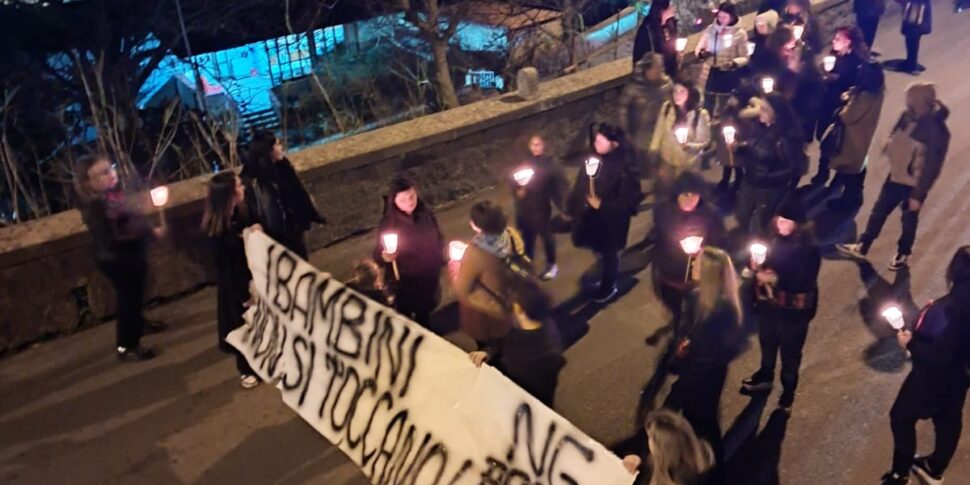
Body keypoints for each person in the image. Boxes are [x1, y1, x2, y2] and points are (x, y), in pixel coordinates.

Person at [880, 246, 970, 485]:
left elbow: (941, 355)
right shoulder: (955, 304)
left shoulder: (954, 309)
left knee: (901, 417)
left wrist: (909, 345)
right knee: (948, 419)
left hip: (932, 378)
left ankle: (900, 474)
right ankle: (935, 468)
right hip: (961, 376)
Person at [836, 83, 950, 271]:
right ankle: (863, 245)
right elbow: (896, 134)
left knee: (908, 221)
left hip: (913, 184)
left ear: (918, 100)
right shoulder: (908, 115)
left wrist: (918, 194)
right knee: (878, 211)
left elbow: (932, 166)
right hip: (895, 175)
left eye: (909, 97)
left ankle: (903, 254)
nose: (906, 101)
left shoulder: (936, 129)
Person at [75, 155, 164, 362]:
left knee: (137, 292)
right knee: (128, 300)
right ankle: (127, 345)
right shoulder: (96, 207)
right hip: (117, 259)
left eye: (111, 168)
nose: (111, 174)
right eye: (103, 173)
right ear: (89, 183)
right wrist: (141, 232)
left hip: (130, 253)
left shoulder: (112, 196)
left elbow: (130, 217)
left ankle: (139, 323)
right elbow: (111, 238)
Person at [665, 247, 742, 479]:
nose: (692, 265)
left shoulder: (720, 313)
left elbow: (703, 363)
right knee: (700, 425)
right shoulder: (700, 297)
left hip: (705, 379)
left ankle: (715, 473)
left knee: (704, 425)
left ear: (708, 273)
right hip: (701, 371)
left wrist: (674, 397)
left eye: (697, 264)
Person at [742, 193, 821, 412]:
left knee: (790, 354)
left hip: (793, 313)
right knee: (767, 343)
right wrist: (755, 264)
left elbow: (804, 281)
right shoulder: (771, 237)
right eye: (780, 219)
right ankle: (765, 375)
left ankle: (788, 392)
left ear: (799, 224)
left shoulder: (809, 248)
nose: (782, 224)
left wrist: (775, 279)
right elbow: (761, 262)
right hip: (768, 306)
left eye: (788, 221)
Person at [568, 124, 640, 303]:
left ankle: (609, 287)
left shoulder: (625, 168)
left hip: (612, 222)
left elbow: (629, 201)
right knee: (599, 249)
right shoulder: (594, 157)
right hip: (594, 219)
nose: (595, 143)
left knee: (610, 254)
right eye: (595, 139)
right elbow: (582, 181)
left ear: (614, 144)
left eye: (601, 141)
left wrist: (602, 204)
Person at [202, 171, 259, 388]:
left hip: (251, 278)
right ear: (229, 195)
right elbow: (224, 269)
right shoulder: (216, 232)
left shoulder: (241, 212)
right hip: (236, 288)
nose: (243, 188)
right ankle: (245, 369)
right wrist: (243, 295)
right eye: (238, 186)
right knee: (242, 327)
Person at [468, 279, 565, 407]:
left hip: (521, 402)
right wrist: (488, 353)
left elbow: (540, 393)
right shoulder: (517, 325)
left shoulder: (546, 350)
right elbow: (501, 343)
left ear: (519, 308)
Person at [651, 173, 726, 329]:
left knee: (694, 311)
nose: (690, 199)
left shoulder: (710, 215)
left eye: (695, 195)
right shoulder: (663, 211)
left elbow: (720, 243)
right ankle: (677, 319)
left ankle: (689, 333)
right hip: (670, 272)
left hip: (697, 276)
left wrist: (704, 253)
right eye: (685, 194)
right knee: (673, 305)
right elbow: (659, 238)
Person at [242, 130, 325, 259]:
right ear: (269, 150)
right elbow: (262, 209)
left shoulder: (282, 167)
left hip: (292, 230)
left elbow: (296, 193)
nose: (281, 148)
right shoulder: (255, 179)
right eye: (277, 144)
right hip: (275, 237)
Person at [453, 201, 527, 346]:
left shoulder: (475, 253)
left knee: (491, 349)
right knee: (512, 342)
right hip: (513, 302)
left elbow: (461, 290)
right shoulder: (511, 235)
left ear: (475, 225)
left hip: (490, 314)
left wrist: (455, 265)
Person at [375, 176, 445, 326]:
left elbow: (438, 235)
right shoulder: (389, 223)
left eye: (411, 196)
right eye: (403, 199)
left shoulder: (425, 212)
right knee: (405, 316)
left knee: (424, 313)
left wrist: (440, 256)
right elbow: (378, 254)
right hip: (405, 281)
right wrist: (386, 257)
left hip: (427, 276)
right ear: (394, 201)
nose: (409, 201)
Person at [733, 95, 800, 236]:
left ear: (776, 113)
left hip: (769, 189)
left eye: (764, 109)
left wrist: (767, 177)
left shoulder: (785, 138)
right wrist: (738, 148)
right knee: (742, 214)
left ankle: (759, 248)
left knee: (762, 222)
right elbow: (755, 146)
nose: (759, 112)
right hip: (749, 180)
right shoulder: (759, 126)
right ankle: (745, 237)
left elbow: (794, 168)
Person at [812, 26, 869, 185]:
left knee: (838, 141)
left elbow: (854, 85)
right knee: (824, 139)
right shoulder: (834, 54)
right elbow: (824, 69)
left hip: (842, 107)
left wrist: (836, 80)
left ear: (849, 42)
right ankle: (823, 171)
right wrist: (823, 72)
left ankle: (837, 177)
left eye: (838, 39)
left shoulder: (857, 61)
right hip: (827, 103)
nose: (833, 41)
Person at [825, 62, 885, 210]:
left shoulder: (864, 96)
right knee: (859, 165)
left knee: (850, 169)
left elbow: (849, 116)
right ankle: (856, 195)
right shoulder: (877, 91)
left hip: (853, 136)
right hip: (863, 134)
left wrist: (842, 109)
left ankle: (848, 201)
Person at [510, 135, 566, 280]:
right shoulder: (525, 162)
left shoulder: (550, 163)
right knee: (527, 239)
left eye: (538, 144)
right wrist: (518, 192)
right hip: (525, 208)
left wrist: (563, 208)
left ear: (544, 145)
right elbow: (513, 181)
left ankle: (551, 264)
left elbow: (559, 187)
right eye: (532, 145)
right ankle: (528, 267)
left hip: (542, 208)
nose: (535, 147)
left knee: (546, 236)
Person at [622, 409, 716, 485]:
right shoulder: (687, 450)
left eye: (650, 438)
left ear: (661, 450)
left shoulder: (679, 479)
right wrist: (635, 456)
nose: (647, 441)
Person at [649, 79, 711, 192]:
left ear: (690, 93)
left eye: (682, 92)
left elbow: (704, 141)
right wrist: (653, 149)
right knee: (667, 191)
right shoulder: (667, 107)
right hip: (667, 159)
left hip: (688, 163)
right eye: (675, 92)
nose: (677, 95)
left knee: (684, 192)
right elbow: (659, 129)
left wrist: (689, 146)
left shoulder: (700, 115)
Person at [618, 54, 673, 178]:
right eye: (658, 67)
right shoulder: (633, 89)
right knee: (646, 171)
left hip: (664, 135)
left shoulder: (666, 84)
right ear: (648, 70)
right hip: (642, 138)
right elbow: (623, 111)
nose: (661, 69)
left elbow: (674, 104)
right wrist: (627, 133)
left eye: (661, 66)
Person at [695, 2, 750, 117]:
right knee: (707, 102)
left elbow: (745, 57)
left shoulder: (739, 33)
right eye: (720, 17)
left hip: (728, 73)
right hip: (710, 71)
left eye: (725, 17)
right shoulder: (711, 29)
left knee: (724, 104)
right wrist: (702, 53)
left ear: (732, 16)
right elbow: (700, 47)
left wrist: (733, 63)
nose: (722, 20)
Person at [780, 47, 824, 146]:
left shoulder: (812, 83)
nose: (789, 58)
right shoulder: (788, 75)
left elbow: (810, 112)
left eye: (793, 57)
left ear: (802, 63)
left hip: (797, 132)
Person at [632, 0, 679, 76]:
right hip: (652, 76)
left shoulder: (669, 26)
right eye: (670, 6)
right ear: (662, 10)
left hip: (668, 75)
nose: (673, 8)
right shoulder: (648, 30)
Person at [894, 0, 932, 74]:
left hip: (916, 6)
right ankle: (912, 61)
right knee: (914, 34)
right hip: (919, 5)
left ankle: (911, 64)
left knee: (912, 33)